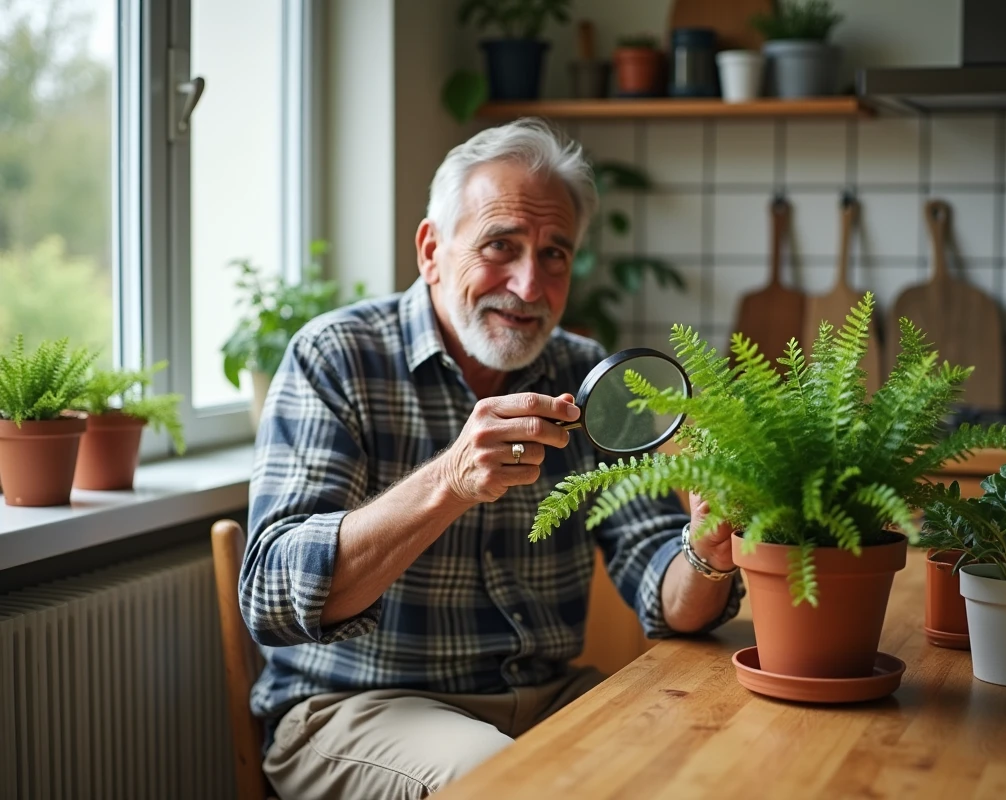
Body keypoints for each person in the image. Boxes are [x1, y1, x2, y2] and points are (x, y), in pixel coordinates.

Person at [240, 118, 744, 800]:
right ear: (431, 250)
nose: (530, 286)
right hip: (354, 709)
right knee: (513, 786)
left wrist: (706, 551)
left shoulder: (585, 370)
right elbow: (270, 594)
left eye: (555, 254)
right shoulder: (336, 357)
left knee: (713, 769)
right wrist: (450, 480)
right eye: (501, 246)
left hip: (549, 698)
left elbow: (661, 581)